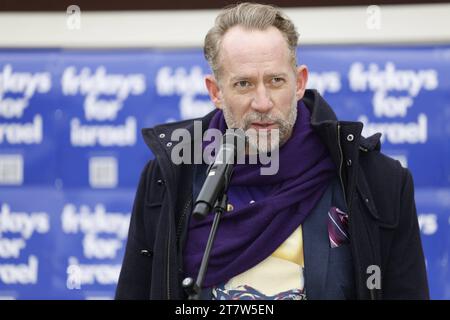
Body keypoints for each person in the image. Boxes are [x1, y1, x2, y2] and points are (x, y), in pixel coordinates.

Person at [115, 2, 429, 300]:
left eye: (276, 80)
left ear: (299, 82)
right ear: (216, 92)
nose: (263, 103)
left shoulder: (375, 180)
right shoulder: (169, 177)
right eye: (243, 84)